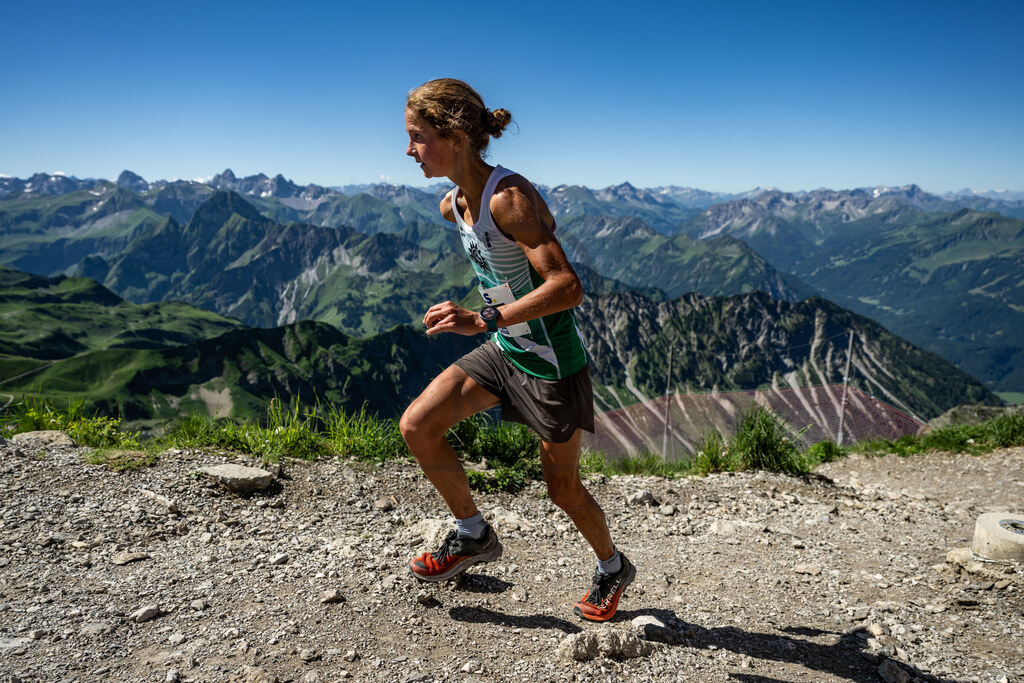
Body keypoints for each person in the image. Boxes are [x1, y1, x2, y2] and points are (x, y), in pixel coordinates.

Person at [399, 78, 635, 622]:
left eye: (417, 137)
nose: (409, 150)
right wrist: (482, 316)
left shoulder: (509, 198)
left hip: (551, 365)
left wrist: (480, 317)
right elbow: (502, 271)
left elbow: (567, 287)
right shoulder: (452, 204)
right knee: (418, 425)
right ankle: (472, 533)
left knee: (564, 490)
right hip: (505, 349)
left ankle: (612, 565)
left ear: (456, 135)